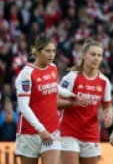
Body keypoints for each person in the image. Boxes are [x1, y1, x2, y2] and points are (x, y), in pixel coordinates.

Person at [15, 36, 89, 164]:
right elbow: (24, 107)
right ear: (37, 52)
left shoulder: (52, 68)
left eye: (53, 51)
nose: (51, 55)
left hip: (52, 130)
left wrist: (69, 94)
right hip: (29, 132)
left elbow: (53, 85)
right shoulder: (26, 75)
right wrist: (41, 129)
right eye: (47, 51)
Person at [59, 39, 113, 164]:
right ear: (84, 55)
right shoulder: (71, 77)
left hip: (91, 134)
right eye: (93, 54)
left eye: (99, 55)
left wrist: (109, 115)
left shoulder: (104, 81)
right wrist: (72, 102)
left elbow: (107, 106)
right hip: (69, 133)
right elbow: (55, 102)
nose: (96, 58)